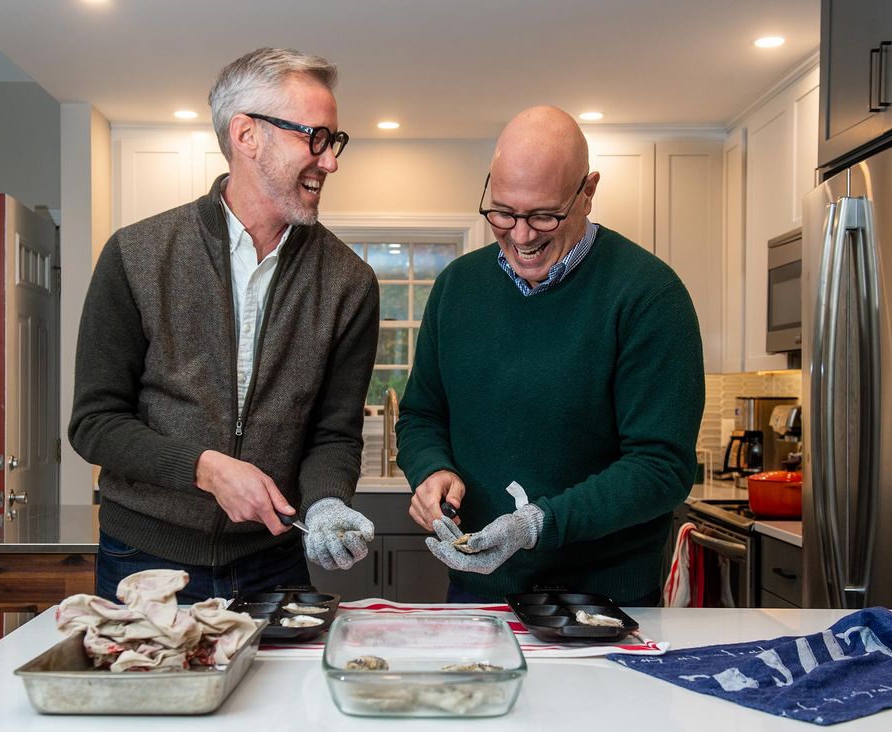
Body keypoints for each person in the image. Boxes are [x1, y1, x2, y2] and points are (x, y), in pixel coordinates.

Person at [69, 48, 380, 604]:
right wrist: (203, 469)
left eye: (334, 142)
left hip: (273, 562)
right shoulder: (138, 254)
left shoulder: (349, 281)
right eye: (315, 137)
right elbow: (95, 423)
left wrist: (327, 502)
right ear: (246, 135)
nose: (329, 161)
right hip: (144, 561)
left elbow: (334, 435)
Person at [396, 106, 704, 607]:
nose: (521, 236)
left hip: (605, 600)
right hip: (479, 592)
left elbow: (662, 467)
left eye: (544, 215)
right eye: (503, 212)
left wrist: (539, 524)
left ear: (588, 191)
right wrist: (430, 469)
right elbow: (422, 415)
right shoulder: (457, 288)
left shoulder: (649, 295)